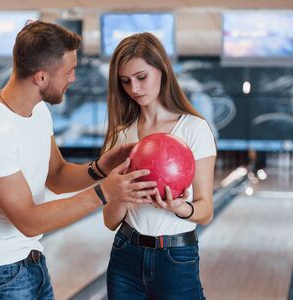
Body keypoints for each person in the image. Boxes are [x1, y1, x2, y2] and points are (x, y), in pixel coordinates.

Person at [0, 21, 158, 300]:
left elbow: (58, 176)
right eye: (69, 71)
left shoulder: (38, 111)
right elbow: (28, 220)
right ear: (41, 78)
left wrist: (102, 167)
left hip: (30, 259)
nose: (73, 78)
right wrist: (105, 192)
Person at [102, 32, 217, 300]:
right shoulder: (121, 136)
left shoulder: (194, 129)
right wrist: (122, 193)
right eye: (125, 81)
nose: (134, 88)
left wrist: (178, 207)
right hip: (125, 255)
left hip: (176, 257)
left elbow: (206, 210)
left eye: (141, 77)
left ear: (162, 70)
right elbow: (110, 220)